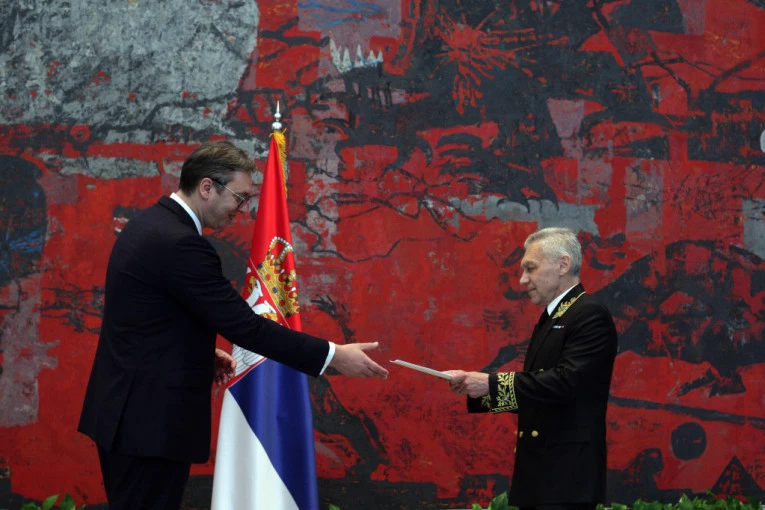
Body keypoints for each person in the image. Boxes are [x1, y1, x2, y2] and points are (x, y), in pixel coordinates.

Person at [78, 140, 389, 510]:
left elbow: (144, 319)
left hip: (126, 414)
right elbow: (246, 327)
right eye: (240, 198)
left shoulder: (147, 225)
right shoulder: (181, 245)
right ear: (207, 187)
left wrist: (199, 350)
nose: (243, 210)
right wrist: (333, 355)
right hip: (149, 425)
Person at [446, 227, 618, 510]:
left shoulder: (589, 314)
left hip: (567, 478)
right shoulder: (554, 317)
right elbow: (539, 393)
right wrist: (479, 390)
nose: (523, 279)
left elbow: (565, 383)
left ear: (562, 265)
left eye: (530, 268)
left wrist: (490, 383)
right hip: (542, 474)